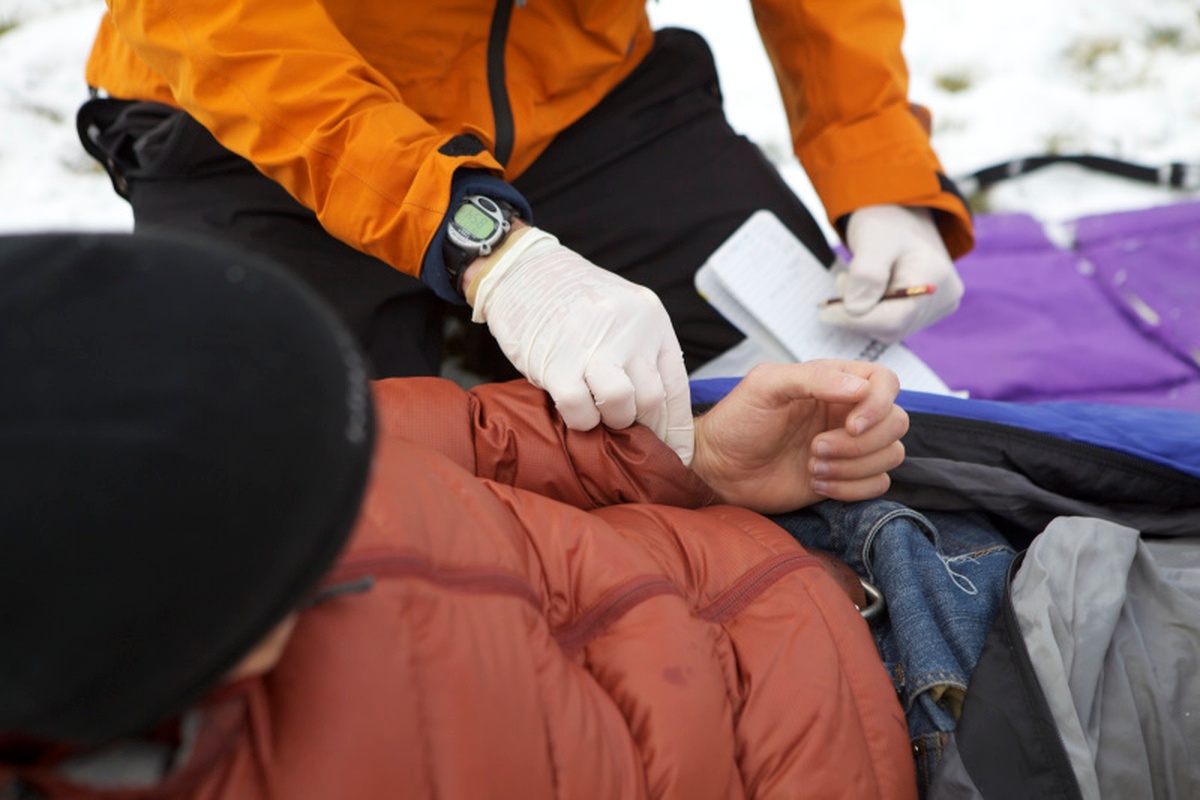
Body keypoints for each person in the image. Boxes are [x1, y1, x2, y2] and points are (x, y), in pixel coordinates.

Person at [0, 231, 915, 799]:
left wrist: (699, 461)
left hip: (828, 541)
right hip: (901, 741)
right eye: (311, 532)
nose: (352, 502)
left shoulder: (269, 447)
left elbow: (472, 438)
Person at [76, 1, 973, 466]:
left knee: (829, 410)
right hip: (265, 129)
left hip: (581, 98)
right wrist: (488, 250)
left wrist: (878, 167)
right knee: (312, 486)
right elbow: (223, 29)